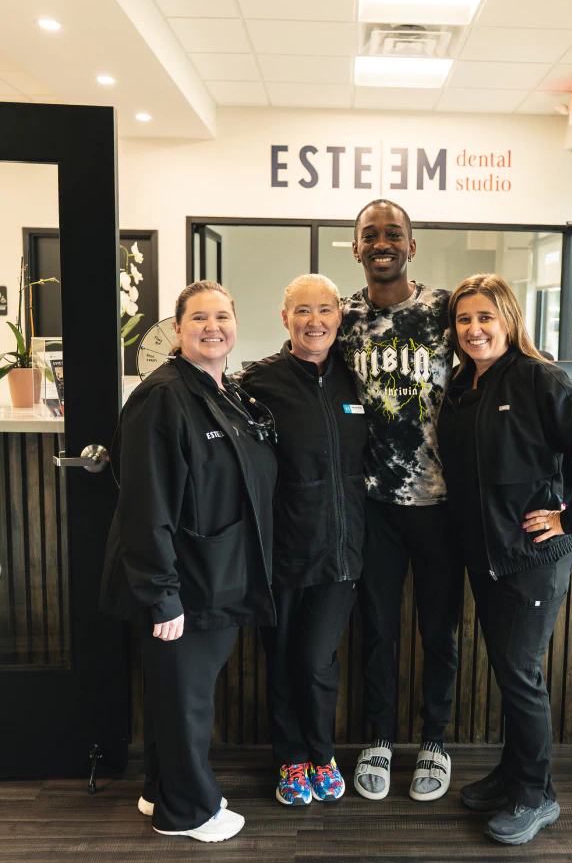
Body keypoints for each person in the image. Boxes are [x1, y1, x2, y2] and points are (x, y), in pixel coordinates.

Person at [437, 273, 572, 846]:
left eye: (485, 317)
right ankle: (514, 773)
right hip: (487, 556)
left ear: (510, 320)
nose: (474, 329)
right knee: (509, 670)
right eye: (464, 320)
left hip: (533, 557)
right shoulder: (464, 383)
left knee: (520, 673)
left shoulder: (538, 378)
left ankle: (538, 794)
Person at [99, 280, 277, 843]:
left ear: (235, 324)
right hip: (183, 581)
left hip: (215, 573)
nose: (212, 327)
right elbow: (145, 502)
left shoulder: (220, 389)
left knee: (175, 694)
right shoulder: (163, 395)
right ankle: (189, 811)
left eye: (222, 316)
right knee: (187, 702)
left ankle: (160, 791)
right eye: (198, 318)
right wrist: (161, 593)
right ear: (177, 329)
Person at [337, 198, 461, 802]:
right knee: (380, 630)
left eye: (394, 234)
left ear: (411, 246)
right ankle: (379, 738)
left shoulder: (443, 309)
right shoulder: (342, 315)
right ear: (355, 247)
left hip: (442, 504)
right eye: (370, 235)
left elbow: (496, 356)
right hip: (373, 502)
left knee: (439, 631)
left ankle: (434, 739)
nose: (381, 243)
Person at [239, 274, 367, 806]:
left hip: (344, 551)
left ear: (340, 316)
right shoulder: (257, 382)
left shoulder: (357, 380)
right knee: (285, 657)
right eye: (302, 310)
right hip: (283, 550)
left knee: (316, 659)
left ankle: (322, 752)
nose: (315, 320)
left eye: (325, 310)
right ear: (284, 317)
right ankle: (291, 759)